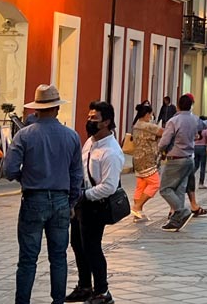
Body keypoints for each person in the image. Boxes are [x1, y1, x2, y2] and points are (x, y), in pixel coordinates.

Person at [4, 85, 83, 304]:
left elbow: (9, 169)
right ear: (57, 109)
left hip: (33, 198)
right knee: (58, 257)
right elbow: (77, 175)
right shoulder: (72, 136)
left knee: (28, 259)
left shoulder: (24, 135)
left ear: (36, 110)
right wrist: (71, 202)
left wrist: (25, 177)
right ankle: (58, 301)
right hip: (60, 200)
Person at [66, 101, 123, 304]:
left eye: (94, 119)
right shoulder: (90, 142)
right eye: (89, 117)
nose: (89, 122)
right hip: (81, 201)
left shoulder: (112, 152)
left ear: (106, 122)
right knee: (77, 244)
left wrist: (84, 195)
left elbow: (109, 186)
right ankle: (84, 286)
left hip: (96, 204)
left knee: (92, 247)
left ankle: (102, 292)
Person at [159, 94, 207, 230]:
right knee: (179, 189)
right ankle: (176, 220)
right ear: (191, 105)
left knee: (165, 189)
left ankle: (181, 211)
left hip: (175, 158)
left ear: (178, 105)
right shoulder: (194, 119)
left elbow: (164, 142)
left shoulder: (174, 121)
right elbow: (205, 124)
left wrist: (161, 150)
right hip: (188, 159)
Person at [130, 104, 163, 222]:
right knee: (155, 183)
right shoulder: (148, 126)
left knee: (141, 185)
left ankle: (138, 214)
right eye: (151, 114)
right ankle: (137, 206)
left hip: (137, 159)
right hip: (147, 159)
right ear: (147, 114)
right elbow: (162, 132)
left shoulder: (136, 125)